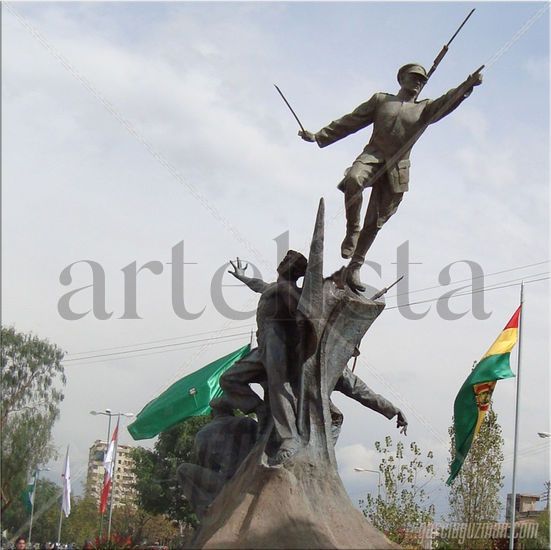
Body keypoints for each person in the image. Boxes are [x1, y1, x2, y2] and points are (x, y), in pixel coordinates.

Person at [299, 63, 483, 291]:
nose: (418, 83)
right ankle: (352, 231)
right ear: (402, 79)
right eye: (414, 78)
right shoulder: (381, 101)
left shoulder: (424, 109)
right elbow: (352, 120)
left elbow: (447, 101)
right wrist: (319, 136)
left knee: (375, 221)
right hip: (372, 156)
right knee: (354, 179)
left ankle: (355, 265)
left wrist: (467, 85)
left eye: (421, 80)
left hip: (397, 169)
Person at [211, 253, 407, 464]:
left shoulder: (296, 296)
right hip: (264, 349)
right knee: (229, 379)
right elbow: (259, 285)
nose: (282, 263)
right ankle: (262, 411)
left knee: (292, 394)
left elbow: (359, 389)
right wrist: (243, 277)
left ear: (292, 270)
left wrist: (391, 409)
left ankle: (309, 451)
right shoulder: (273, 288)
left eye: (287, 262)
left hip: (280, 351)